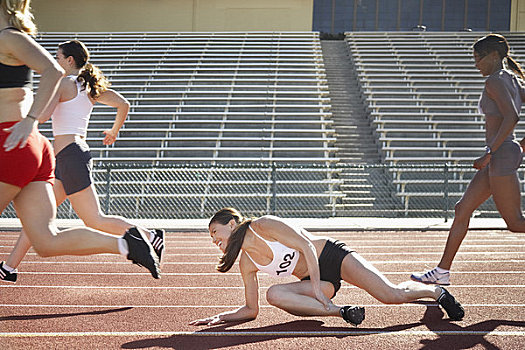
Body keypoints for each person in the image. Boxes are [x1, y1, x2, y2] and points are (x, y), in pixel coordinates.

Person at [0, 0, 160, 281]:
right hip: (59, 153)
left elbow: (47, 102)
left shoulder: (61, 80)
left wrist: (31, 117)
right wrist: (113, 132)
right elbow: (124, 104)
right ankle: (10, 266)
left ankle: (146, 235)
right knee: (43, 233)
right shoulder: (87, 86)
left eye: (61, 57)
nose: (58, 60)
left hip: (52, 150)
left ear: (69, 60)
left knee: (93, 219)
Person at [190, 208, 464, 327]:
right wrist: (221, 318)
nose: (214, 240)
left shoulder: (264, 225)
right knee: (273, 295)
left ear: (232, 224)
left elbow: (307, 248)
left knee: (391, 295)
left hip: (331, 257)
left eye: (215, 232)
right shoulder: (246, 262)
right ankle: (342, 313)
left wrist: (319, 294)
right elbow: (251, 310)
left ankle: (434, 292)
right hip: (316, 280)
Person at [411, 33, 525, 286]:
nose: (476, 65)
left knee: (516, 223)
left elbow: (512, 117)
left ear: (494, 56)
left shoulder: (495, 81)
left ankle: (442, 270)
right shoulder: (513, 80)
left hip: (500, 156)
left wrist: (489, 152)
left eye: (478, 58)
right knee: (462, 209)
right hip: (502, 154)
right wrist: (520, 146)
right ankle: (442, 271)